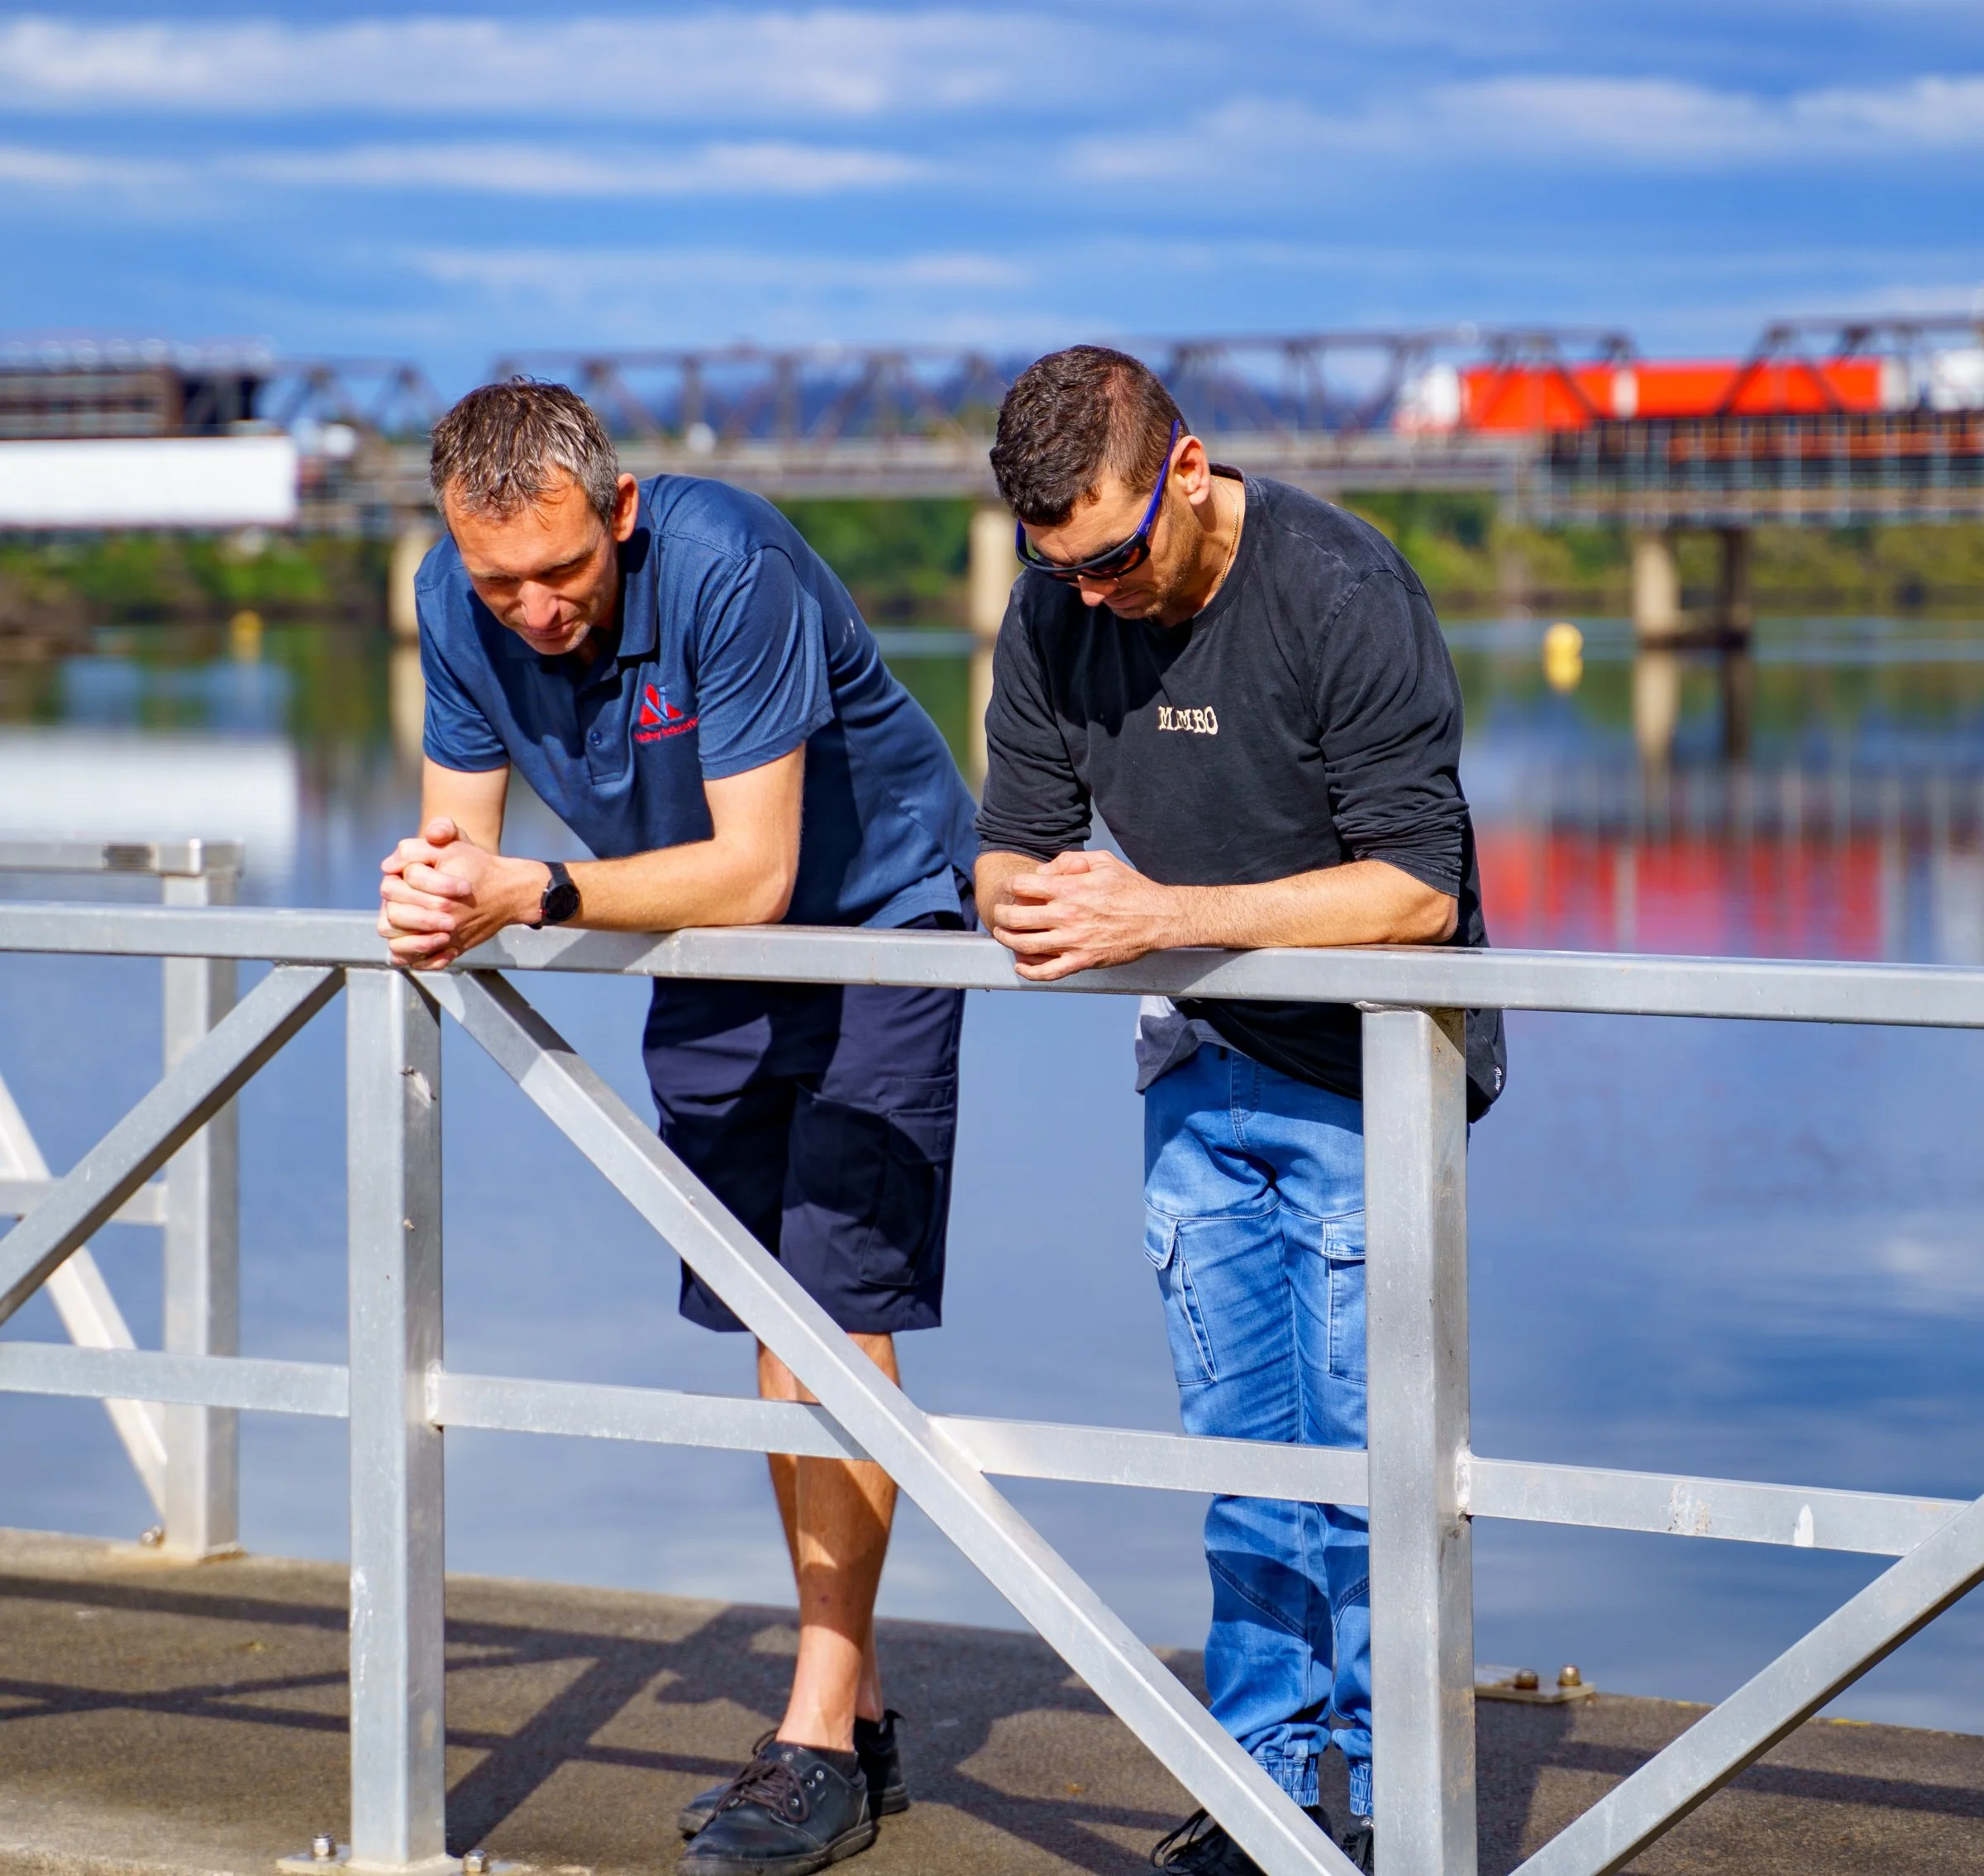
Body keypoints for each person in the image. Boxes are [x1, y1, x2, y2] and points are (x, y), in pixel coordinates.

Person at [375, 379, 979, 1876]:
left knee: (830, 1310)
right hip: (689, 931)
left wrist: (538, 894)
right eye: (495, 578)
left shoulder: (729, 565)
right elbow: (468, 848)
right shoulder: (458, 593)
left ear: (622, 510)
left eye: (562, 574)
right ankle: (856, 1718)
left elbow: (759, 871)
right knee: (770, 1322)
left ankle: (821, 1738)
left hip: (870, 922)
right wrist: (429, 889)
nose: (531, 610)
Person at [973, 346, 1505, 1876]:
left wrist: (1163, 918)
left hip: (1369, 1077)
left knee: (1369, 1462)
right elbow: (1010, 845)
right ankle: (1268, 1799)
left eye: (1116, 556)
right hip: (1197, 1068)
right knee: (1244, 1462)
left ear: (1187, 469)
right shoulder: (1054, 613)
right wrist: (1040, 898)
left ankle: (1398, 1802)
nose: (1092, 595)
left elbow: (1418, 888)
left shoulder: (1341, 591)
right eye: (1057, 563)